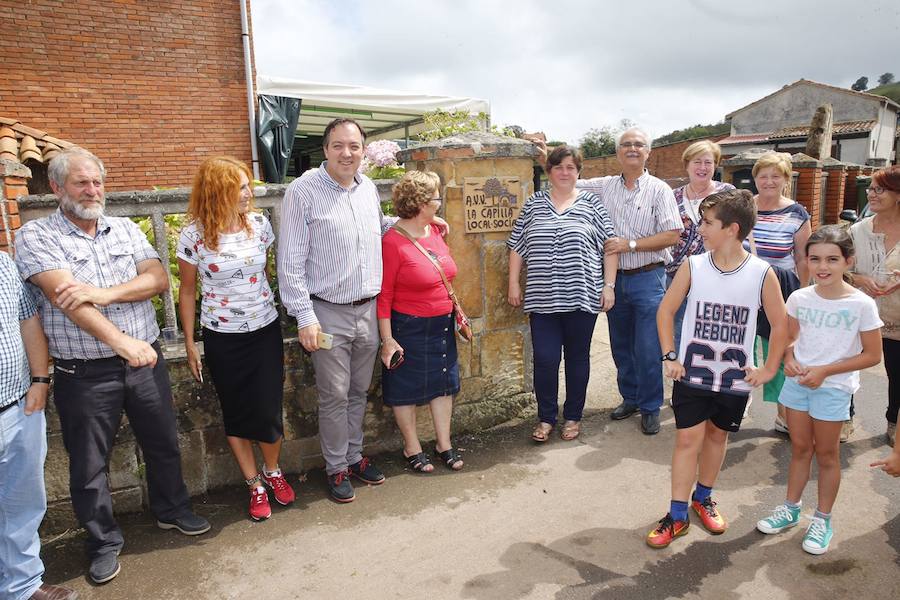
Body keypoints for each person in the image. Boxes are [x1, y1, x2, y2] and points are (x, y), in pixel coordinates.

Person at [14, 147, 209, 585]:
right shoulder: (36, 236)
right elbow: (65, 298)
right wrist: (123, 342)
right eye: (82, 182)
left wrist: (103, 294)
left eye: (98, 181)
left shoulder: (123, 228)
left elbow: (158, 279)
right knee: (88, 465)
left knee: (163, 444)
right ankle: (102, 543)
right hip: (82, 372)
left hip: (144, 362)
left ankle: (172, 512)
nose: (93, 190)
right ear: (58, 188)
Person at [648, 189, 787, 548]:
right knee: (687, 439)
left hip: (734, 379)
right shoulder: (694, 266)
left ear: (731, 228)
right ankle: (677, 514)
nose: (700, 229)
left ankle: (703, 497)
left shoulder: (761, 272)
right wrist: (669, 356)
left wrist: (770, 369)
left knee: (717, 437)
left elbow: (781, 323)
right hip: (692, 374)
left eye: (708, 223)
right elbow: (665, 311)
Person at [278, 118, 397, 502]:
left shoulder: (368, 190)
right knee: (334, 395)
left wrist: (420, 223)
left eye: (354, 146)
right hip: (327, 312)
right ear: (325, 149)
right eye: (338, 146)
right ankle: (336, 468)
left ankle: (354, 456)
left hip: (368, 309)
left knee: (359, 391)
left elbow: (378, 228)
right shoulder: (303, 191)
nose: (347, 153)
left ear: (364, 150)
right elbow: (290, 261)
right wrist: (305, 317)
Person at [177, 157, 294, 521]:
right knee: (237, 411)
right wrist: (189, 342)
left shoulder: (259, 225)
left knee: (268, 408)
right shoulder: (194, 234)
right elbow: (187, 291)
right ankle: (253, 483)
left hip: (264, 330)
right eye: (240, 187)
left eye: (248, 186)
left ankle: (273, 472)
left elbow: (269, 274)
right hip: (221, 337)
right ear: (218, 191)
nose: (248, 194)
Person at [756, 226, 882, 555]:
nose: (822, 267)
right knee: (799, 449)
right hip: (798, 386)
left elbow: (872, 354)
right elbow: (789, 340)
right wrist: (790, 359)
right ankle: (791, 508)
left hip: (834, 389)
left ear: (848, 261)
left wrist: (825, 370)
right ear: (806, 261)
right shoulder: (799, 297)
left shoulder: (861, 304)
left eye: (832, 259)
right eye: (815, 259)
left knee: (827, 455)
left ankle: (822, 518)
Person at [566, 127, 683, 435]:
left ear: (648, 153)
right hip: (615, 279)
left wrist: (629, 244)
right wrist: (541, 158)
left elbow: (672, 234)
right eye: (626, 145)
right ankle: (630, 397)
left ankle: (649, 406)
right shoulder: (605, 186)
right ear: (618, 153)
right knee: (621, 345)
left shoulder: (660, 190)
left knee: (647, 347)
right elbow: (566, 180)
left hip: (649, 277)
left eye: (638, 144)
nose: (632, 148)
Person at [508, 145, 617, 442]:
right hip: (542, 298)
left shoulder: (592, 204)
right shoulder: (533, 204)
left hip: (582, 295)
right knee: (545, 358)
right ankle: (545, 417)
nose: (565, 172)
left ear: (578, 171)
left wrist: (609, 286)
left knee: (577, 358)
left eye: (571, 167)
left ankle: (573, 416)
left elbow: (611, 247)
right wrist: (514, 283)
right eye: (559, 167)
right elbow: (517, 246)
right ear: (549, 171)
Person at [0, 252, 77, 600]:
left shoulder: (3, 264)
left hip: (18, 407)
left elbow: (27, 320)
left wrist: (40, 379)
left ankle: (22, 586)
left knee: (22, 506)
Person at [378, 171, 464, 472]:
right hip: (408, 326)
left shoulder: (436, 231)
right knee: (405, 388)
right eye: (435, 198)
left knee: (443, 384)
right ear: (421, 203)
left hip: (441, 324)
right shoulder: (392, 242)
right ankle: (411, 447)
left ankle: (444, 443)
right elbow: (384, 295)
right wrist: (388, 340)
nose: (439, 204)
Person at [746, 151, 811, 434]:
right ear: (755, 178)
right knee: (741, 347)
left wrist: (804, 294)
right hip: (744, 286)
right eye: (763, 176)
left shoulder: (797, 213)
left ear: (786, 179)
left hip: (781, 287)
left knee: (780, 348)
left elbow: (802, 258)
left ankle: (783, 412)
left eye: (776, 176)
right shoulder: (744, 206)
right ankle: (735, 401)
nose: (769, 181)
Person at [666, 140, 735, 350]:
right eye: (697, 162)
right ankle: (679, 375)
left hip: (715, 275)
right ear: (687, 164)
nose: (703, 168)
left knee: (710, 331)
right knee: (675, 329)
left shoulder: (728, 194)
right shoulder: (672, 196)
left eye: (708, 162)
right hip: (675, 276)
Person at [849, 165, 900, 447]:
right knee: (845, 367)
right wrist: (859, 278)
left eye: (879, 189)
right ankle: (844, 418)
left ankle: (894, 423)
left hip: (897, 319)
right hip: (859, 316)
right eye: (870, 189)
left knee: (898, 374)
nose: (872, 194)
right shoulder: (857, 231)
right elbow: (838, 267)